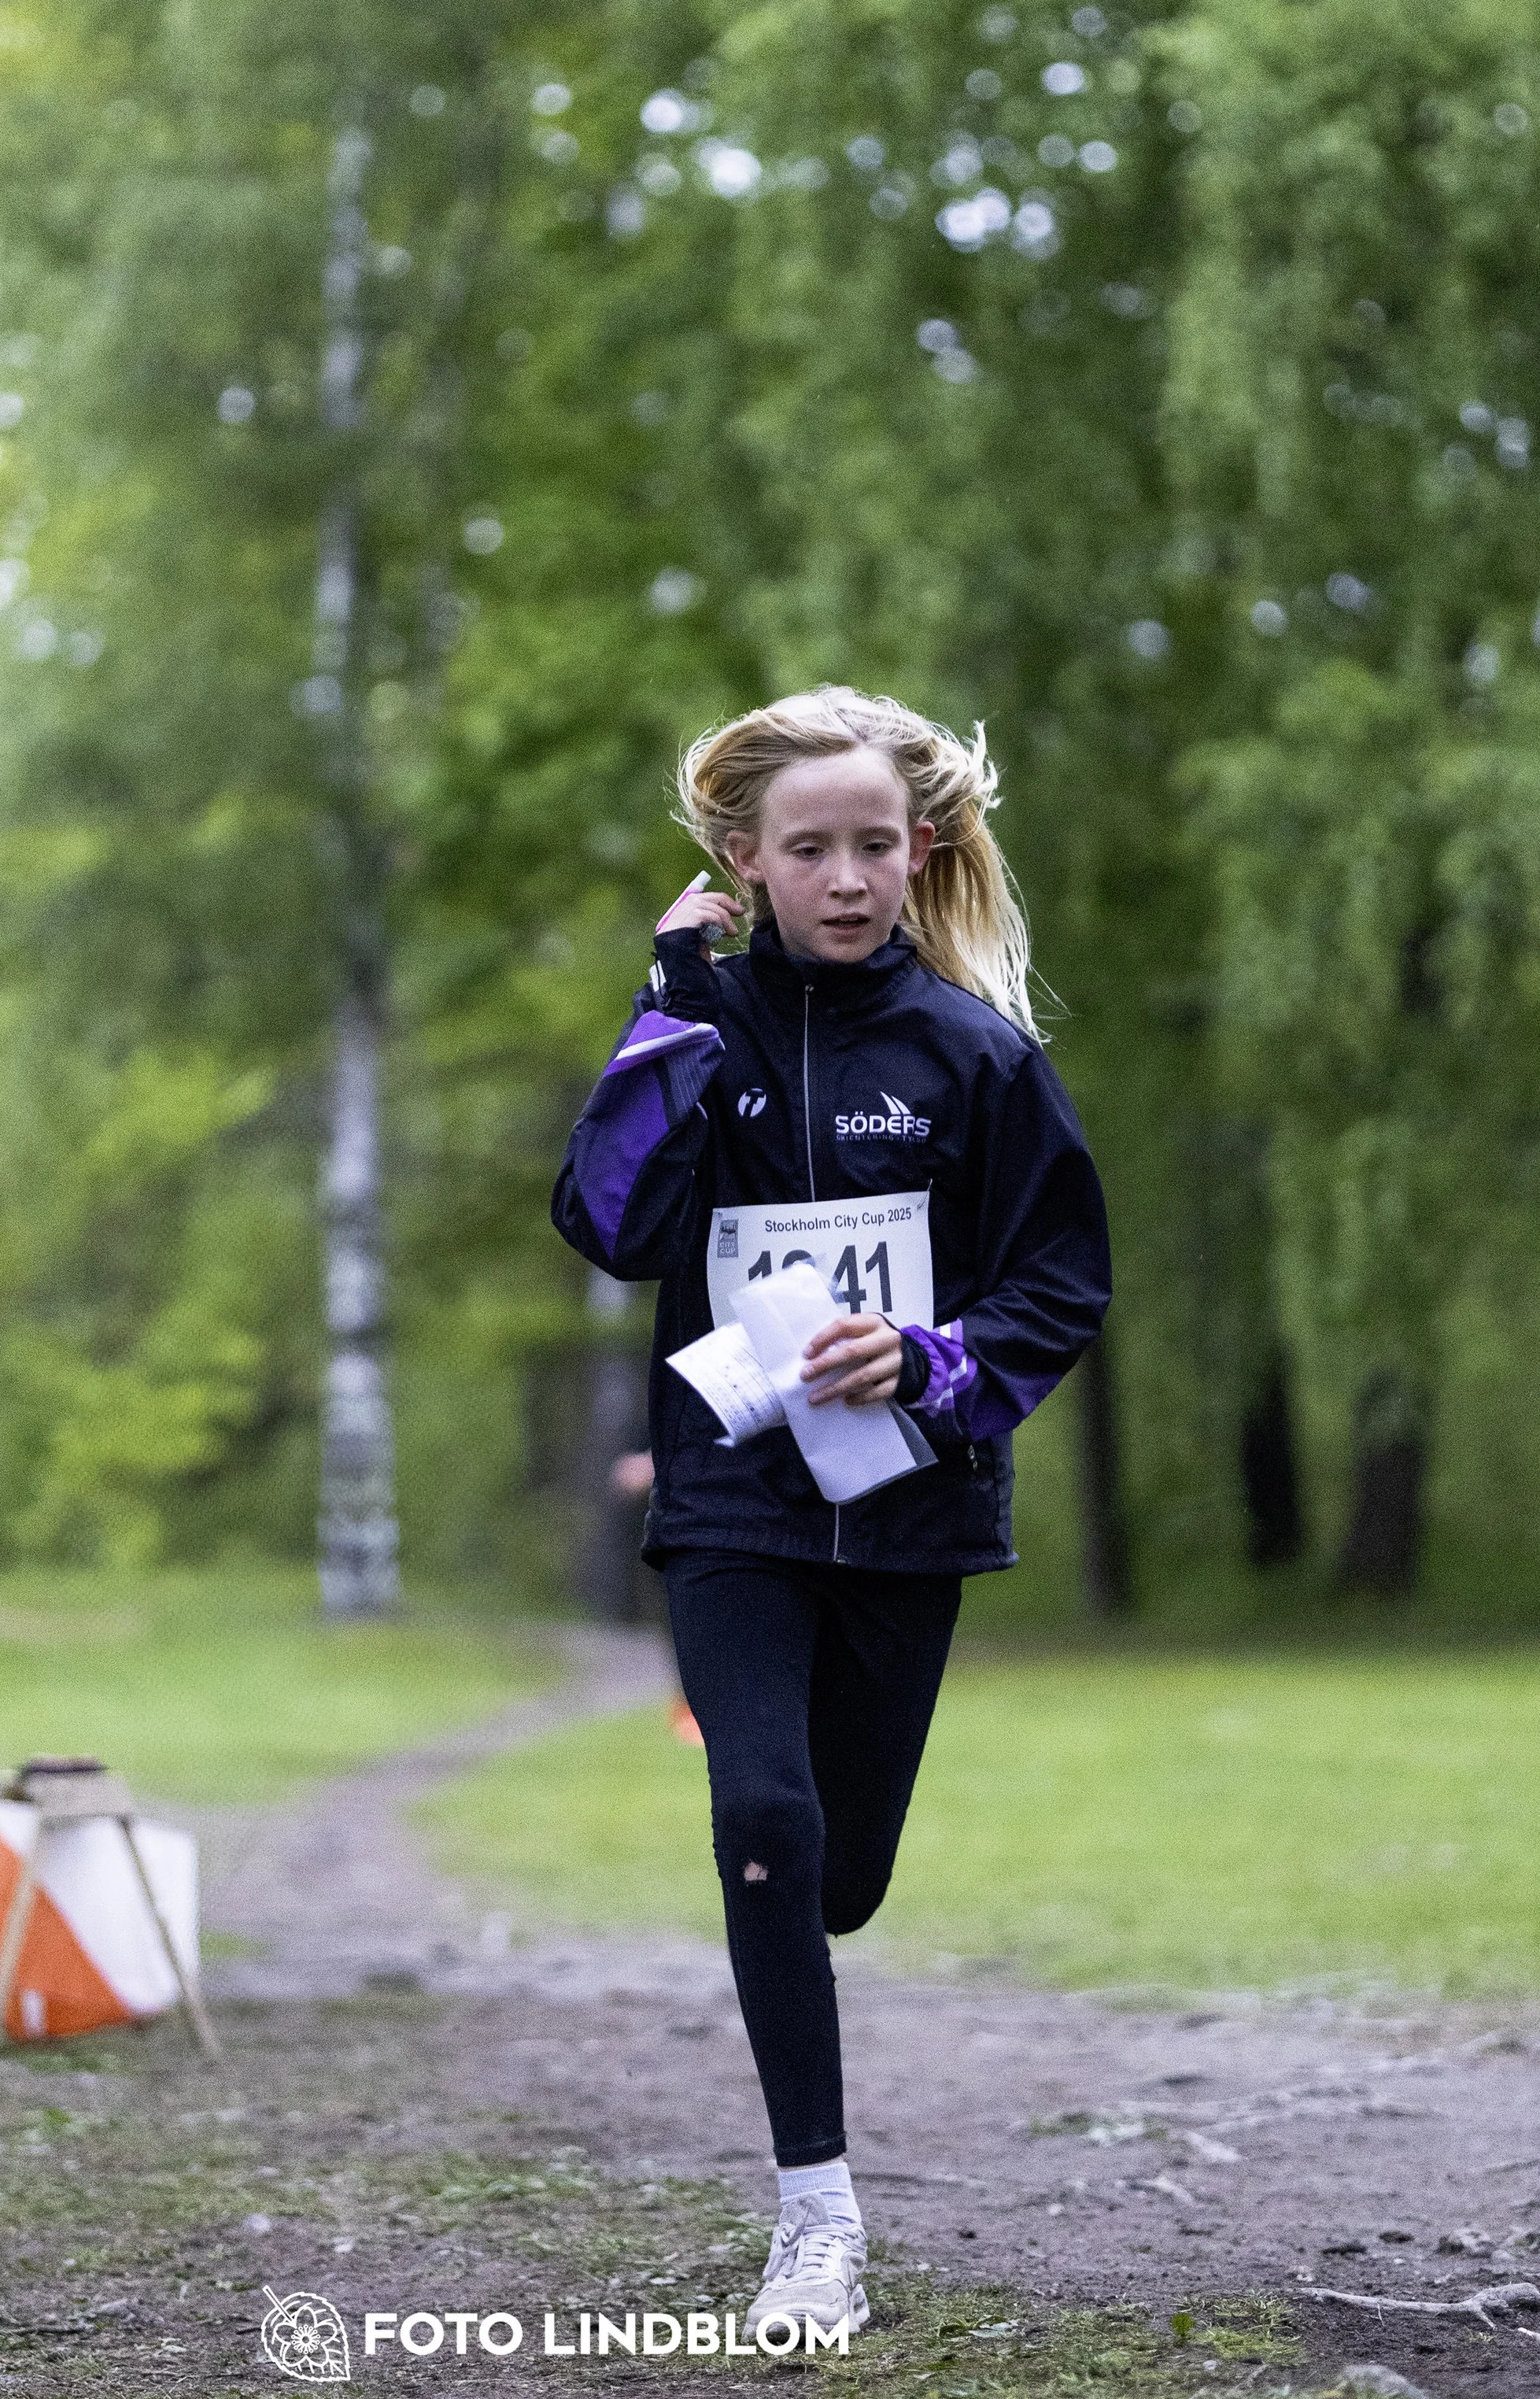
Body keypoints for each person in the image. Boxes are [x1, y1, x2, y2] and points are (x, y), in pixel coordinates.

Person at [551, 689, 1110, 2338]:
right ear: (746, 859)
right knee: (766, 1819)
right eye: (810, 848)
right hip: (732, 1501)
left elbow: (1060, 1278)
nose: (847, 877)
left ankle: (796, 1922)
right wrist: (669, 1004)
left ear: (919, 848)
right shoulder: (696, 1026)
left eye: (874, 844)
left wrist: (931, 1361)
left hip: (908, 1508)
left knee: (837, 1876)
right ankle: (815, 2216)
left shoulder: (975, 1055)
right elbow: (608, 1222)